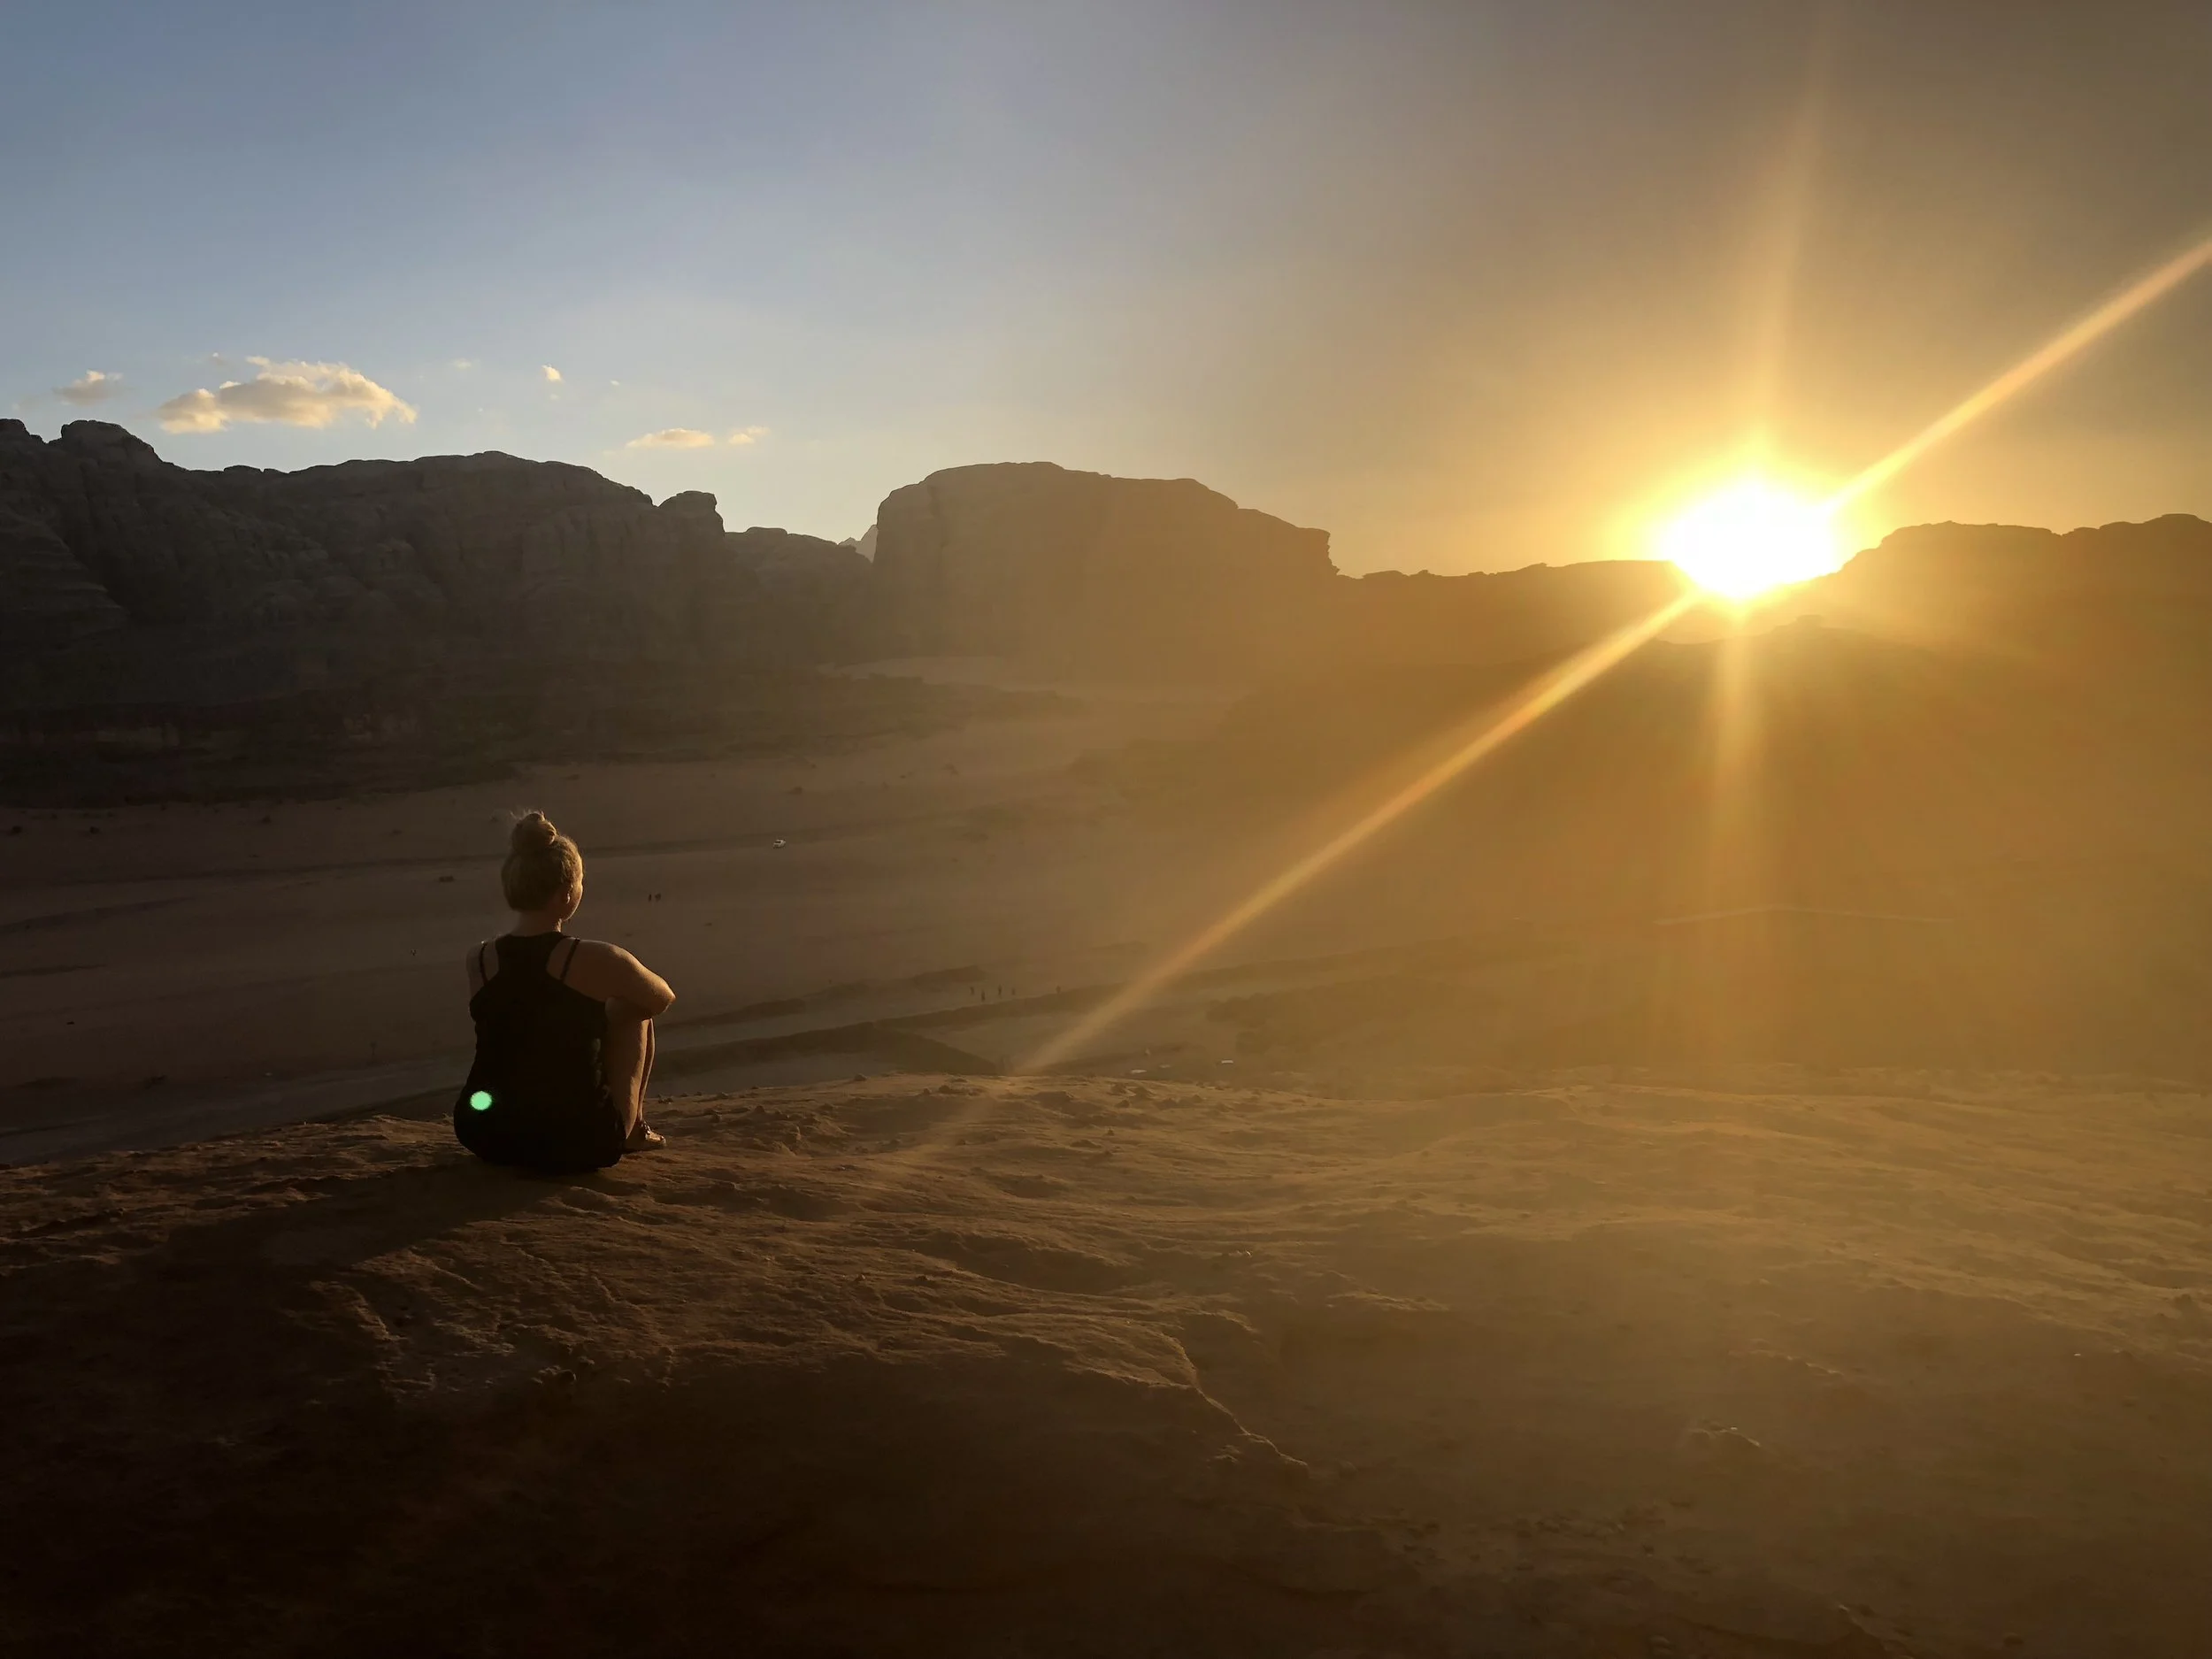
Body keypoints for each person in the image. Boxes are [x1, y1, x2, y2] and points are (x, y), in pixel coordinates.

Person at [456, 811, 674, 1171]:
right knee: (634, 1010)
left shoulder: (479, 958)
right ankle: (633, 1131)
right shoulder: (595, 957)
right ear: (567, 893)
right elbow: (661, 998)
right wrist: (605, 1012)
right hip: (577, 1138)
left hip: (483, 1129)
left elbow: (524, 1012)